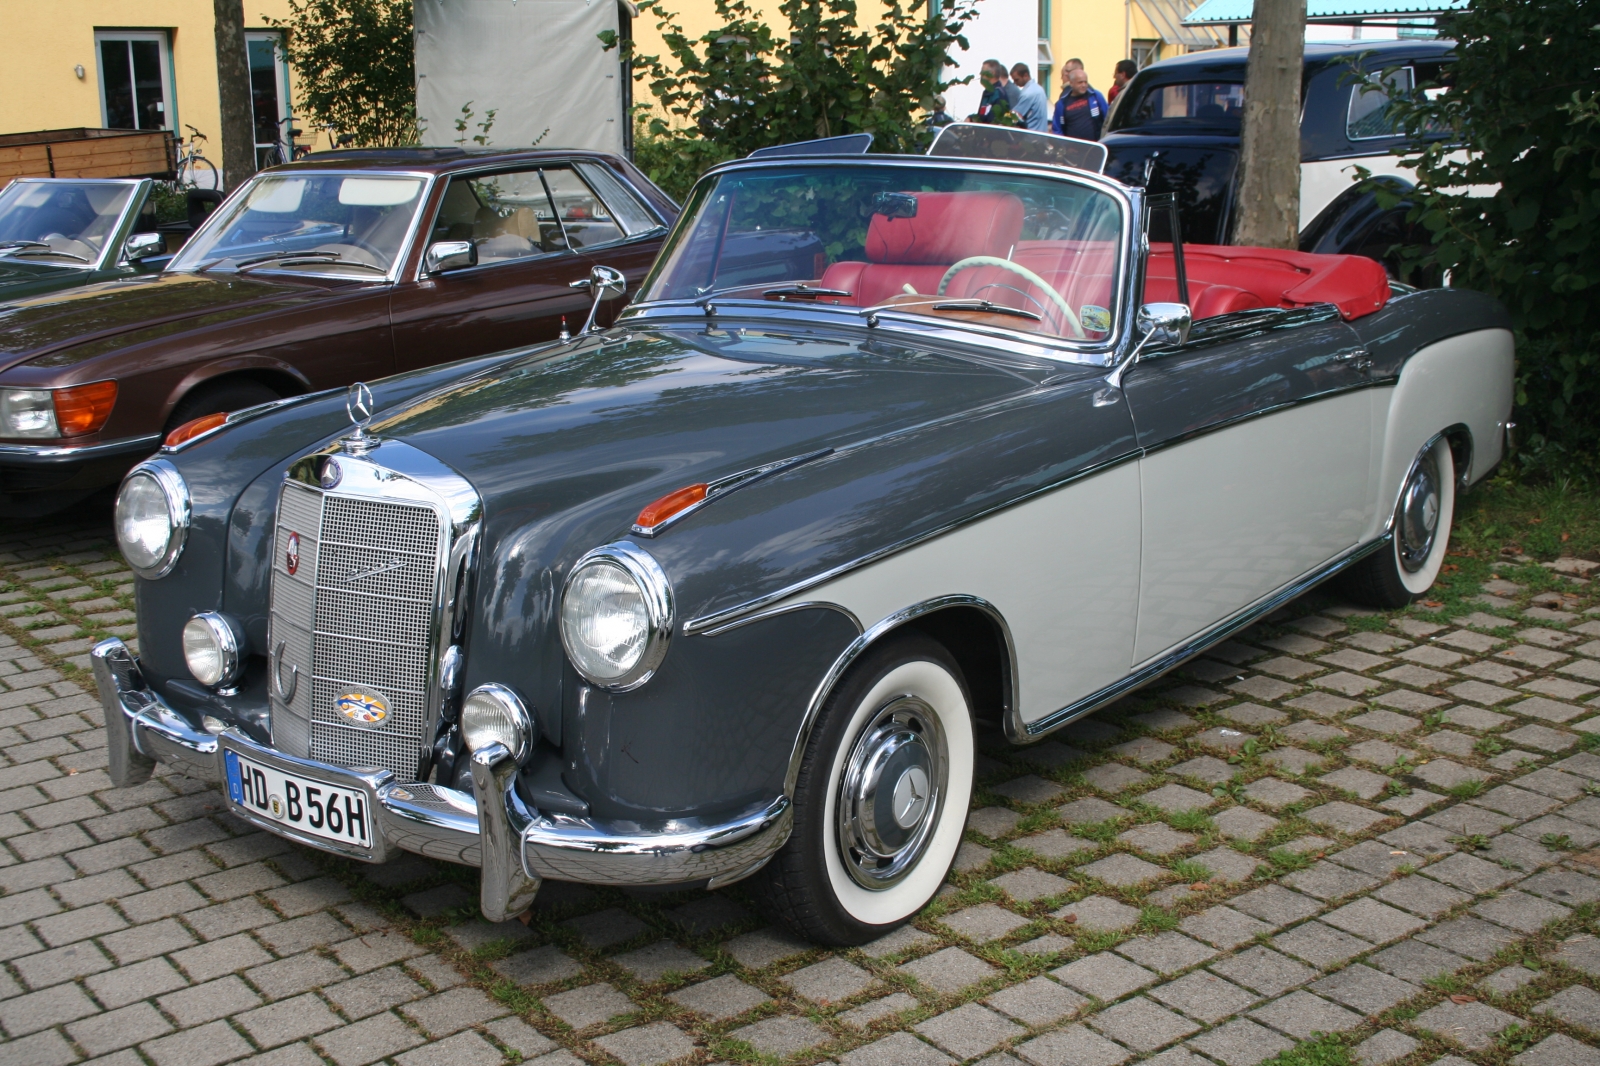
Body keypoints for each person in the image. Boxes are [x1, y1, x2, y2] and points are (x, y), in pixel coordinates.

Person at [1052, 67, 1109, 140]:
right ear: (1071, 83)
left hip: (1095, 146)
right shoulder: (1062, 103)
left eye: (1085, 82)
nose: (1084, 85)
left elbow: (1107, 118)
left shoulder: (1095, 96)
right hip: (1073, 149)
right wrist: (1064, 145)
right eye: (1080, 82)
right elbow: (1057, 128)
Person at [1010, 63, 1051, 132]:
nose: (1015, 83)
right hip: (1041, 133)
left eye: (1017, 80)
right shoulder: (1039, 88)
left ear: (1025, 75)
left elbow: (1014, 116)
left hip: (1032, 135)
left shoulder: (1028, 93)